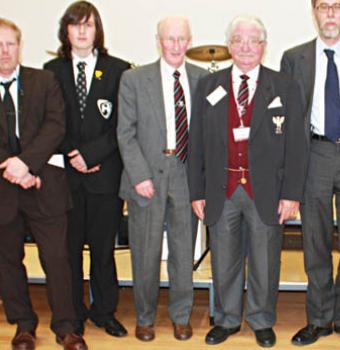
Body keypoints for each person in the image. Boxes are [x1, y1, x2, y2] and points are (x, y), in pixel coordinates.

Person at [188, 14, 307, 348]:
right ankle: (226, 319)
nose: (245, 47)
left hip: (266, 190)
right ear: (229, 46)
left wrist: (292, 194)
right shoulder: (209, 86)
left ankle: (261, 319)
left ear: (263, 47)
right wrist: (196, 192)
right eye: (238, 40)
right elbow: (195, 142)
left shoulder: (283, 85)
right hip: (221, 189)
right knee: (223, 258)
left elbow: (298, 144)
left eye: (252, 40)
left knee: (265, 259)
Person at [281, 0, 340, 346]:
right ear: (314, 12)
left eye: (338, 6)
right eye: (324, 6)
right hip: (314, 154)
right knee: (315, 243)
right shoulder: (294, 58)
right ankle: (319, 318)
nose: (331, 14)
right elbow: (289, 120)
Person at [0, 17, 88, 350]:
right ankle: (23, 325)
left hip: (44, 186)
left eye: (10, 44)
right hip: (3, 188)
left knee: (57, 259)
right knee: (8, 262)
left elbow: (55, 127)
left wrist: (27, 164)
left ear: (20, 46)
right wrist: (14, 169)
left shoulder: (44, 81)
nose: (4, 51)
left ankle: (66, 328)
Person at [117, 16, 206, 342]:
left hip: (185, 174)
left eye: (182, 39)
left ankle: (181, 316)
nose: (176, 45)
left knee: (184, 253)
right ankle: (144, 318)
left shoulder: (201, 79)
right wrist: (139, 175)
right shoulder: (134, 79)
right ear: (159, 40)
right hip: (147, 176)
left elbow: (208, 135)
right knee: (145, 252)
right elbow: (125, 134)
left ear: (189, 40)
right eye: (170, 39)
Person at [44, 1, 130, 338]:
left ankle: (104, 311)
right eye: (75, 25)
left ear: (98, 31)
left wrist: (92, 154)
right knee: (69, 250)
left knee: (103, 249)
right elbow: (49, 122)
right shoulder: (51, 71)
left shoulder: (119, 70)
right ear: (66, 31)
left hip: (105, 175)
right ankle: (73, 313)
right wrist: (72, 154)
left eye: (88, 25)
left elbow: (123, 125)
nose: (82, 31)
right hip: (66, 176)